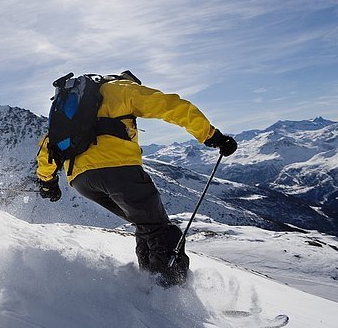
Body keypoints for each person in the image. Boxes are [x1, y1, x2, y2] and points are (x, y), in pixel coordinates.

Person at [36, 72, 237, 287]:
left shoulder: (74, 104)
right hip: (118, 171)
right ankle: (168, 297)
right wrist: (211, 135)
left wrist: (47, 182)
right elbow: (170, 105)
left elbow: (50, 143)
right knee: (161, 232)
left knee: (147, 225)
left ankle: (146, 285)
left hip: (81, 180)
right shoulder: (122, 88)